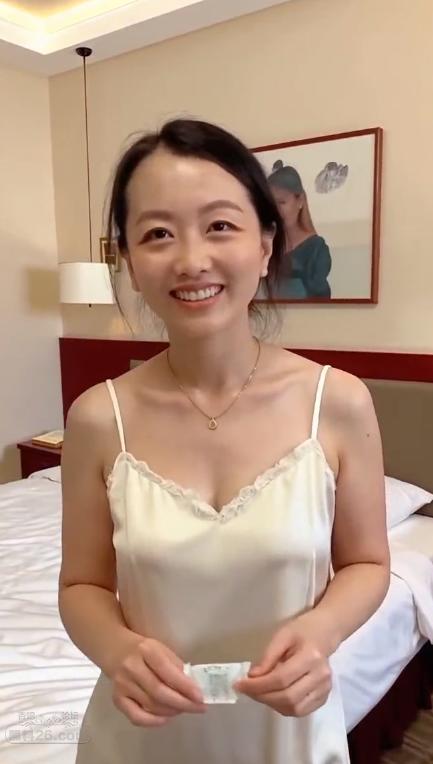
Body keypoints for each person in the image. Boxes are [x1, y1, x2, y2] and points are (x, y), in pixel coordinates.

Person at [59, 119, 390, 764]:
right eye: (158, 233)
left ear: (265, 245)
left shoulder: (338, 402)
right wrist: (118, 651)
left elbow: (368, 564)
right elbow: (81, 586)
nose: (191, 260)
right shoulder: (98, 417)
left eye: (219, 225)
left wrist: (322, 632)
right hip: (139, 736)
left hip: (286, 733)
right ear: (129, 261)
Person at [268, 161, 332, 299]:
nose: (275, 210)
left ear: (300, 200)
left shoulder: (316, 249)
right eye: (272, 204)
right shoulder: (265, 245)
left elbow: (321, 301)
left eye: (282, 202)